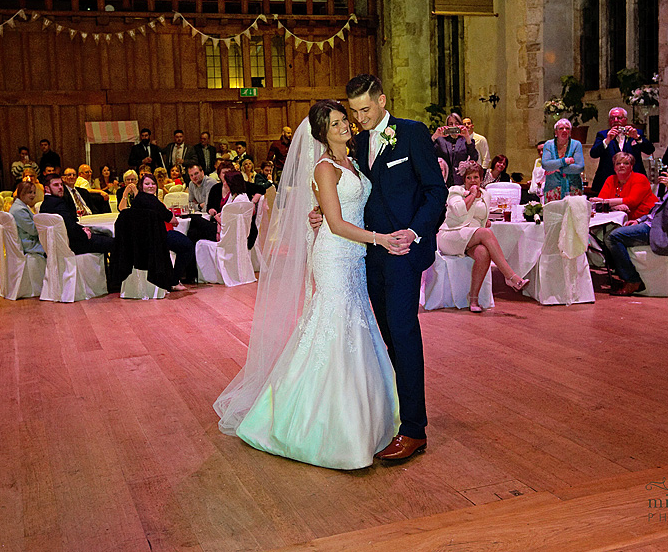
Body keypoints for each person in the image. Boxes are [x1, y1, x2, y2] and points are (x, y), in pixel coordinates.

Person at [215, 100, 400, 469]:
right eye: (334, 124)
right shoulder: (325, 167)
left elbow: (344, 208)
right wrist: (381, 239)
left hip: (355, 258)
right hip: (334, 254)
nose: (344, 126)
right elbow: (335, 223)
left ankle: (369, 418)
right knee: (331, 328)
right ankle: (316, 427)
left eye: (343, 120)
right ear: (321, 133)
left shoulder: (355, 162)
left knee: (355, 328)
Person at [308, 75, 446, 461]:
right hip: (367, 255)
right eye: (353, 112)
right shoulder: (359, 144)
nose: (359, 118)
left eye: (365, 109)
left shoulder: (412, 133)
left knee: (403, 333)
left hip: (404, 252)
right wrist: (323, 213)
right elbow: (353, 196)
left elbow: (436, 191)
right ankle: (394, 412)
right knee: (384, 334)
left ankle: (415, 429)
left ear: (382, 101)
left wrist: (415, 232)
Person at [604, 150, 668, 296]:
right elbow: (658, 208)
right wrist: (640, 220)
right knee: (615, 231)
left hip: (664, 232)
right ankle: (626, 276)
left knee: (612, 237)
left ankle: (632, 280)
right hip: (653, 224)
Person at [437, 161, 529, 312]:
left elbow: (482, 218)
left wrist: (485, 222)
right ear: (464, 179)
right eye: (469, 178)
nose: (473, 181)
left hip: (472, 237)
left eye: (476, 177)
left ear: (481, 179)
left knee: (483, 253)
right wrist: (472, 195)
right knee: (484, 233)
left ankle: (473, 299)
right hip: (451, 235)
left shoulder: (486, 194)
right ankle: (510, 276)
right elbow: (459, 211)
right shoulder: (455, 191)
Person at [130, 173, 194, 290]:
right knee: (188, 246)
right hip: (157, 239)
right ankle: (174, 281)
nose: (151, 186)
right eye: (147, 184)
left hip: (140, 240)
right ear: (141, 186)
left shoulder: (136, 200)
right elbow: (172, 219)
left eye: (153, 184)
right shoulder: (152, 200)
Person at [39, 173, 115, 256]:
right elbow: (70, 227)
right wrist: (85, 234)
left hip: (57, 246)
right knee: (114, 242)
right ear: (47, 189)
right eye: (56, 185)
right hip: (73, 245)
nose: (60, 187)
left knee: (102, 236)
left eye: (61, 184)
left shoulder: (44, 205)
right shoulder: (57, 203)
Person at [588, 107, 655, 195]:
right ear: (609, 121)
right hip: (608, 181)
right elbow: (593, 154)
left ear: (626, 120)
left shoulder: (637, 133)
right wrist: (607, 141)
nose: (616, 120)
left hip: (633, 180)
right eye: (612, 118)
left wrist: (637, 138)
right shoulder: (603, 135)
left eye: (619, 118)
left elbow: (650, 150)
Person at [591, 152, 658, 220]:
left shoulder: (640, 178)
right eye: (618, 163)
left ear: (631, 166)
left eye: (626, 163)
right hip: (618, 219)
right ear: (614, 168)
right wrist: (614, 207)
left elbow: (632, 201)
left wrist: (605, 201)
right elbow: (599, 204)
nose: (621, 165)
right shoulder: (610, 179)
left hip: (644, 219)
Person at [542, 119, 585, 202]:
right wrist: (565, 161)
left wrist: (557, 168)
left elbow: (579, 167)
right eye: (561, 128)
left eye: (567, 128)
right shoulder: (548, 144)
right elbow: (546, 165)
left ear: (570, 132)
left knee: (574, 214)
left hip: (573, 189)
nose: (564, 131)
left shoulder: (576, 144)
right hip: (553, 188)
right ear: (556, 132)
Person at [432, 112, 477, 186]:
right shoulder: (440, 140)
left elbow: (474, 157)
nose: (454, 126)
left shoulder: (466, 140)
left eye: (456, 123)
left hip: (461, 181)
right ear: (447, 126)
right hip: (443, 180)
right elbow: (427, 151)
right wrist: (435, 135)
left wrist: (467, 136)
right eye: (451, 124)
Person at [9, 179, 45, 257]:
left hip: (29, 240)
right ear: (21, 193)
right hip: (29, 244)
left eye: (34, 192)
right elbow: (33, 230)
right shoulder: (19, 209)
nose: (33, 195)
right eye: (30, 192)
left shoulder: (22, 205)